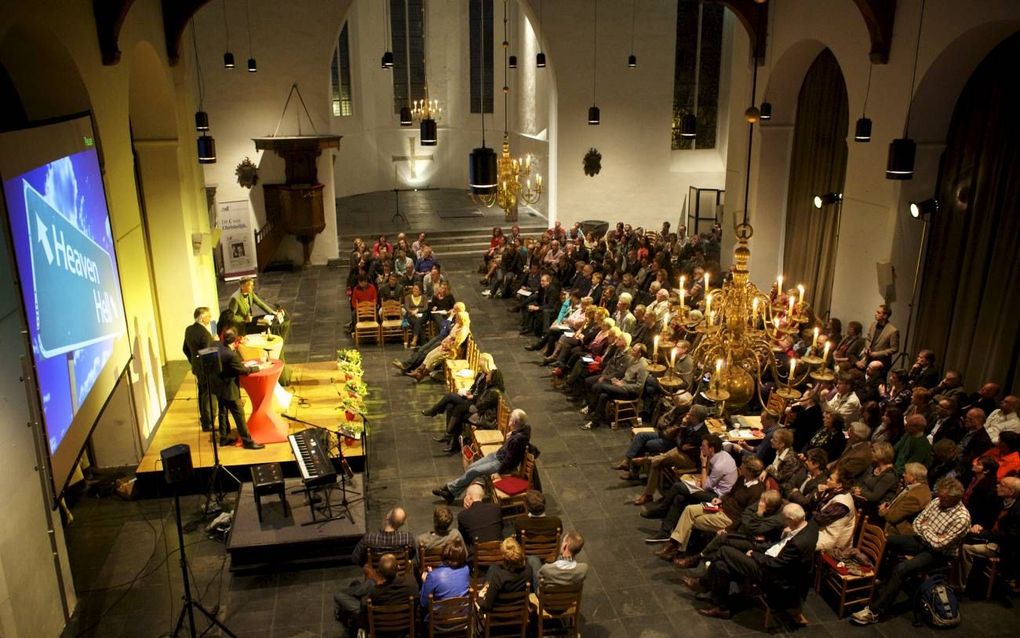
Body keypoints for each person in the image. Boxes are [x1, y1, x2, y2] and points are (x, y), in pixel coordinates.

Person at [851, 478, 970, 625]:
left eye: (943, 498)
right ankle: (878, 580)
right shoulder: (937, 501)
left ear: (954, 498)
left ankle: (875, 612)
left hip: (939, 554)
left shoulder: (962, 518)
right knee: (886, 541)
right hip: (922, 541)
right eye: (939, 495)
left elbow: (939, 545)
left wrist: (926, 528)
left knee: (903, 568)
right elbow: (918, 522)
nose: (939, 499)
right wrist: (932, 533)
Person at [695, 503, 819, 622]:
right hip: (770, 555)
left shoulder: (798, 543)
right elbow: (783, 548)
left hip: (769, 574)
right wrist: (787, 532)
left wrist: (755, 555)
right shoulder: (810, 527)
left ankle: (704, 583)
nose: (783, 522)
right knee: (721, 565)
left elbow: (776, 564)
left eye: (785, 520)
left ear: (792, 520)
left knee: (724, 551)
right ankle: (722, 606)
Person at [434, 409, 531, 502]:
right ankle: (451, 492)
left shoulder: (517, 439)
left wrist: (499, 472)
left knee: (474, 471)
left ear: (515, 423)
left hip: (502, 464)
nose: (509, 421)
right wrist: (513, 433)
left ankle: (449, 489)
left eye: (511, 420)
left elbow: (509, 459)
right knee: (471, 467)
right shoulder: (523, 429)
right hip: (498, 455)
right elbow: (524, 430)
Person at [954, 477, 1020, 592]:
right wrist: (979, 525)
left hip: (1004, 546)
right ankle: (967, 577)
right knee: (962, 536)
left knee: (966, 548)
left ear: (1011, 492)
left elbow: (1011, 536)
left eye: (1002, 485)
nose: (997, 486)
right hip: (991, 536)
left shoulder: (1018, 510)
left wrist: (985, 534)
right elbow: (989, 517)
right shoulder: (999, 500)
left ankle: (960, 586)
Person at [208, 329, 264, 450]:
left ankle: (224, 437)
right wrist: (259, 367)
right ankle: (247, 441)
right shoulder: (231, 355)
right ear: (234, 342)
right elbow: (243, 371)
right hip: (229, 389)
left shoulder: (214, 345)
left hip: (217, 386)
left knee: (222, 411)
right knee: (239, 415)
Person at [405, 311, 471, 382]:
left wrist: (445, 346)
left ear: (462, 319)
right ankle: (418, 371)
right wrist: (444, 342)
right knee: (430, 354)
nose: (456, 319)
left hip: (452, 351)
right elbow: (449, 335)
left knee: (433, 358)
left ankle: (421, 375)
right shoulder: (458, 325)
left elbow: (456, 344)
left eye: (458, 318)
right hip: (446, 346)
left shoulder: (463, 330)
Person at [182, 306, 216, 432]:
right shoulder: (205, 334)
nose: (210, 318)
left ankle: (204, 420)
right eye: (208, 316)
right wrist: (215, 342)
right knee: (208, 395)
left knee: (202, 393)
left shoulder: (189, 330)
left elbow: (185, 349)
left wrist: (193, 362)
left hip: (197, 367)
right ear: (202, 318)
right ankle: (208, 423)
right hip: (206, 369)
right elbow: (209, 353)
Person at [478, 538, 533, 612]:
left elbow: (486, 607)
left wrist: (479, 598)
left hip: (499, 616)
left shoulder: (499, 577)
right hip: (518, 613)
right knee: (494, 567)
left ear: (504, 558)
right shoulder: (528, 570)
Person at [419, 539, 470, 618]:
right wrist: (433, 575)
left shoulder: (433, 576)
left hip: (439, 623)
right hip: (461, 619)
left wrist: (425, 581)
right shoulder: (466, 569)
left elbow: (424, 603)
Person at [351, 508, 417, 568]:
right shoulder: (408, 539)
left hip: (376, 576)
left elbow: (355, 558)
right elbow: (411, 556)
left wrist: (368, 565)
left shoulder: (369, 538)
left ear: (387, 517)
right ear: (402, 524)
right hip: (399, 573)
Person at [879, 463, 932, 536]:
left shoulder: (915, 497)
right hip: (890, 522)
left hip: (896, 532)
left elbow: (893, 517)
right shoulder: (914, 487)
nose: (903, 475)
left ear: (913, 477)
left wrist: (883, 511)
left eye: (906, 473)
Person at [456, 483, 503, 549]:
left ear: (469, 497)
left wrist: (466, 510)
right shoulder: (496, 508)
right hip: (499, 551)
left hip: (477, 556)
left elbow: (464, 537)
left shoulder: (462, 515)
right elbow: (501, 528)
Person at [855, 304, 899, 369]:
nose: (875, 314)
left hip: (881, 362)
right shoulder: (873, 325)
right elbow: (868, 338)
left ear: (885, 316)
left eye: (878, 313)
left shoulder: (893, 331)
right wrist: (867, 348)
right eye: (876, 312)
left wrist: (877, 354)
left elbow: (894, 349)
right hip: (869, 358)